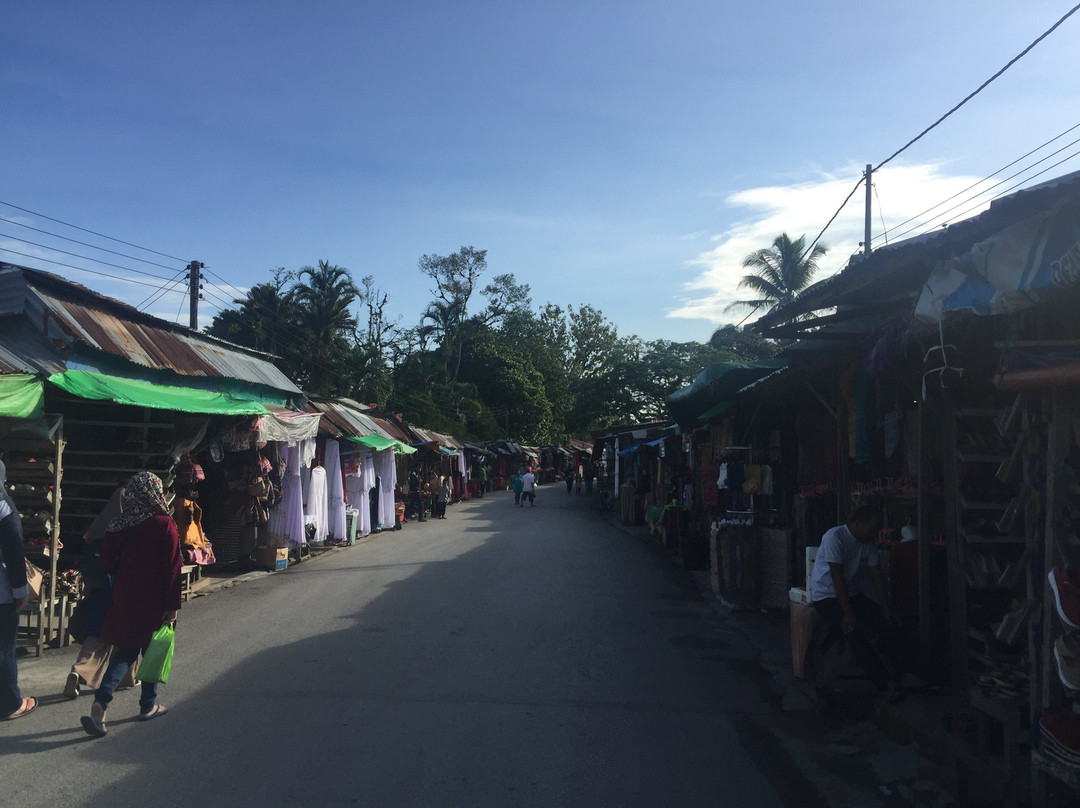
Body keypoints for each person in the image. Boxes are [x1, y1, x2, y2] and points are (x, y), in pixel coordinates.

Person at [81, 472, 182, 737]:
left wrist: (124, 572)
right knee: (153, 651)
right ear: (155, 492)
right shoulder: (164, 523)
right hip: (156, 598)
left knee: (126, 651)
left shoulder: (119, 523)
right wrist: (172, 605)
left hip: (125, 595)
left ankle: (100, 702)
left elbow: (105, 564)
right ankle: (147, 705)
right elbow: (173, 568)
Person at [810, 504, 907, 702]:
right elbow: (837, 578)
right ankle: (885, 683)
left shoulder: (868, 542)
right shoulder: (834, 537)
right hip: (826, 596)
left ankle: (902, 675)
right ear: (857, 523)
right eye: (871, 528)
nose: (874, 533)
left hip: (851, 594)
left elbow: (876, 575)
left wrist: (885, 607)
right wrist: (848, 613)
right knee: (854, 632)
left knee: (889, 622)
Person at [64, 487, 138, 699]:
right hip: (125, 591)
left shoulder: (100, 527)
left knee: (97, 635)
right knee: (127, 635)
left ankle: (79, 672)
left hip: (99, 592)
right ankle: (126, 678)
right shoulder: (132, 528)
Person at [0, 459, 35, 720]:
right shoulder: (2, 505)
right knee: (4, 647)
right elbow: (14, 548)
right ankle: (11, 703)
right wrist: (20, 589)